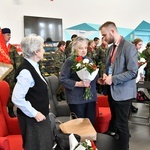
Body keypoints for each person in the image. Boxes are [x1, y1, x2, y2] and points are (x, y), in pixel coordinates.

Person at [99, 21, 138, 150]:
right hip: (112, 91)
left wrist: (113, 79)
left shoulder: (128, 47)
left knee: (122, 125)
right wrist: (105, 76)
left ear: (112, 31)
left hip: (123, 94)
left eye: (104, 35)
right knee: (115, 123)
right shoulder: (111, 48)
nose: (103, 38)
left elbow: (133, 72)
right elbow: (109, 67)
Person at [12, 34, 53, 150]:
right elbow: (17, 98)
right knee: (36, 146)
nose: (44, 50)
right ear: (36, 51)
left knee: (44, 145)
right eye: (42, 48)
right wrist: (34, 113)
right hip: (32, 120)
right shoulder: (26, 72)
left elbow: (36, 91)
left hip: (40, 116)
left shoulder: (34, 66)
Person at [60, 36, 98, 125]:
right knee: (79, 126)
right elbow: (62, 79)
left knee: (90, 123)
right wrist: (78, 84)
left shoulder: (89, 60)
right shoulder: (70, 61)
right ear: (74, 49)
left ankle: (90, 139)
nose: (84, 50)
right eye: (80, 48)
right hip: (76, 99)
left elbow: (94, 76)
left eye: (85, 48)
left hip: (90, 98)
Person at [2, 27, 23, 117]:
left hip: (11, 76)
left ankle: (10, 110)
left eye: (10, 35)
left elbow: (18, 62)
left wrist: (18, 75)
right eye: (7, 34)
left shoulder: (12, 48)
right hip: (1, 76)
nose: (9, 36)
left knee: (11, 92)